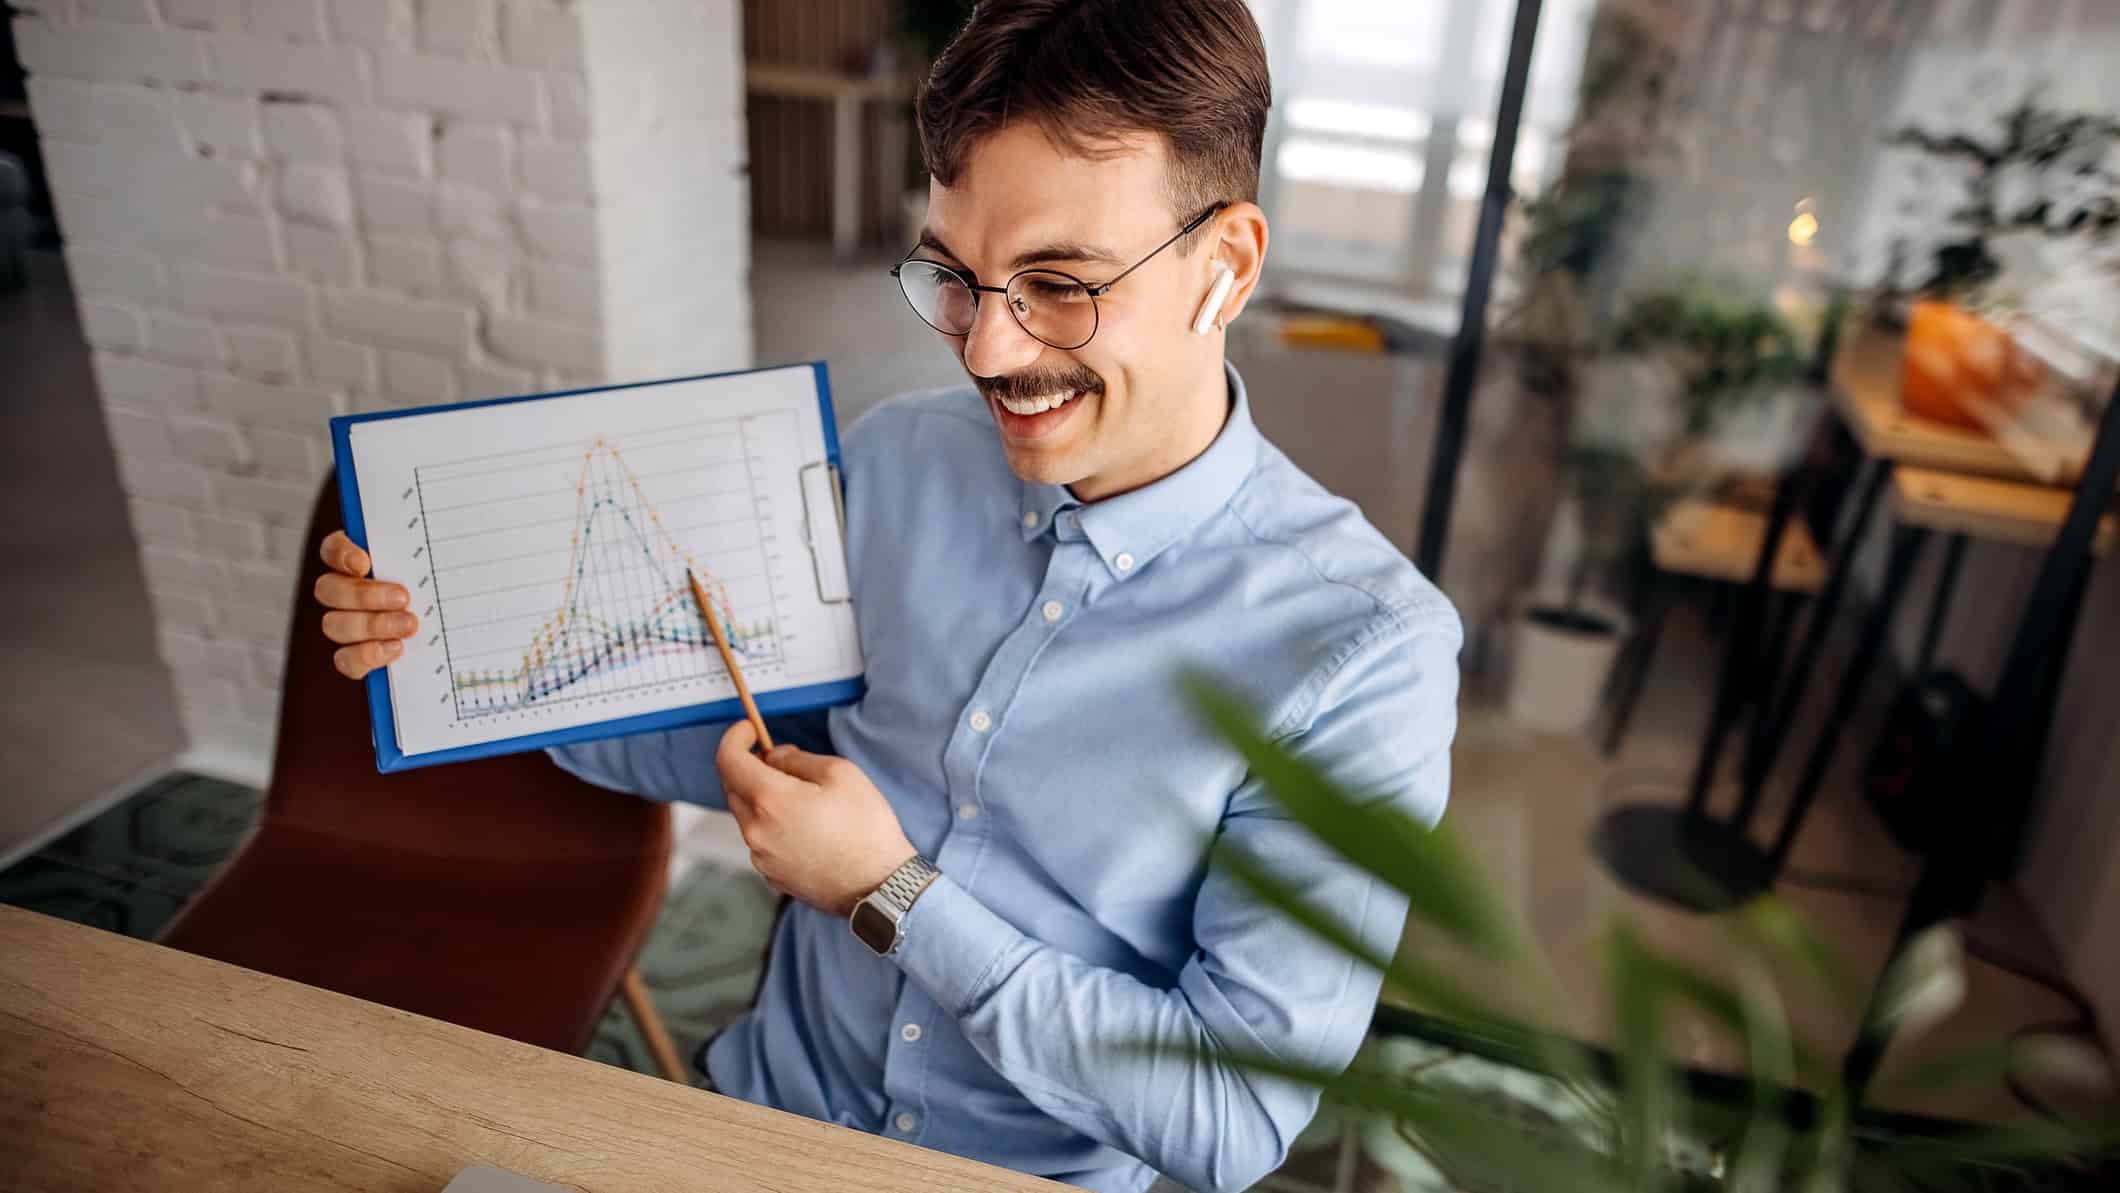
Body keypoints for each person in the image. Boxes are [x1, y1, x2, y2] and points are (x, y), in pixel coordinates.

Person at [311, 2, 1460, 1190]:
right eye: (956, 277)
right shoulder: (898, 460)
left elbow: (1227, 1118)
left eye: (1057, 284)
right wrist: (457, 650)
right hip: (744, 1123)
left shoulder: (1367, 652)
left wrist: (889, 891)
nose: (986, 354)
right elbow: (739, 743)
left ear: (1224, 267)